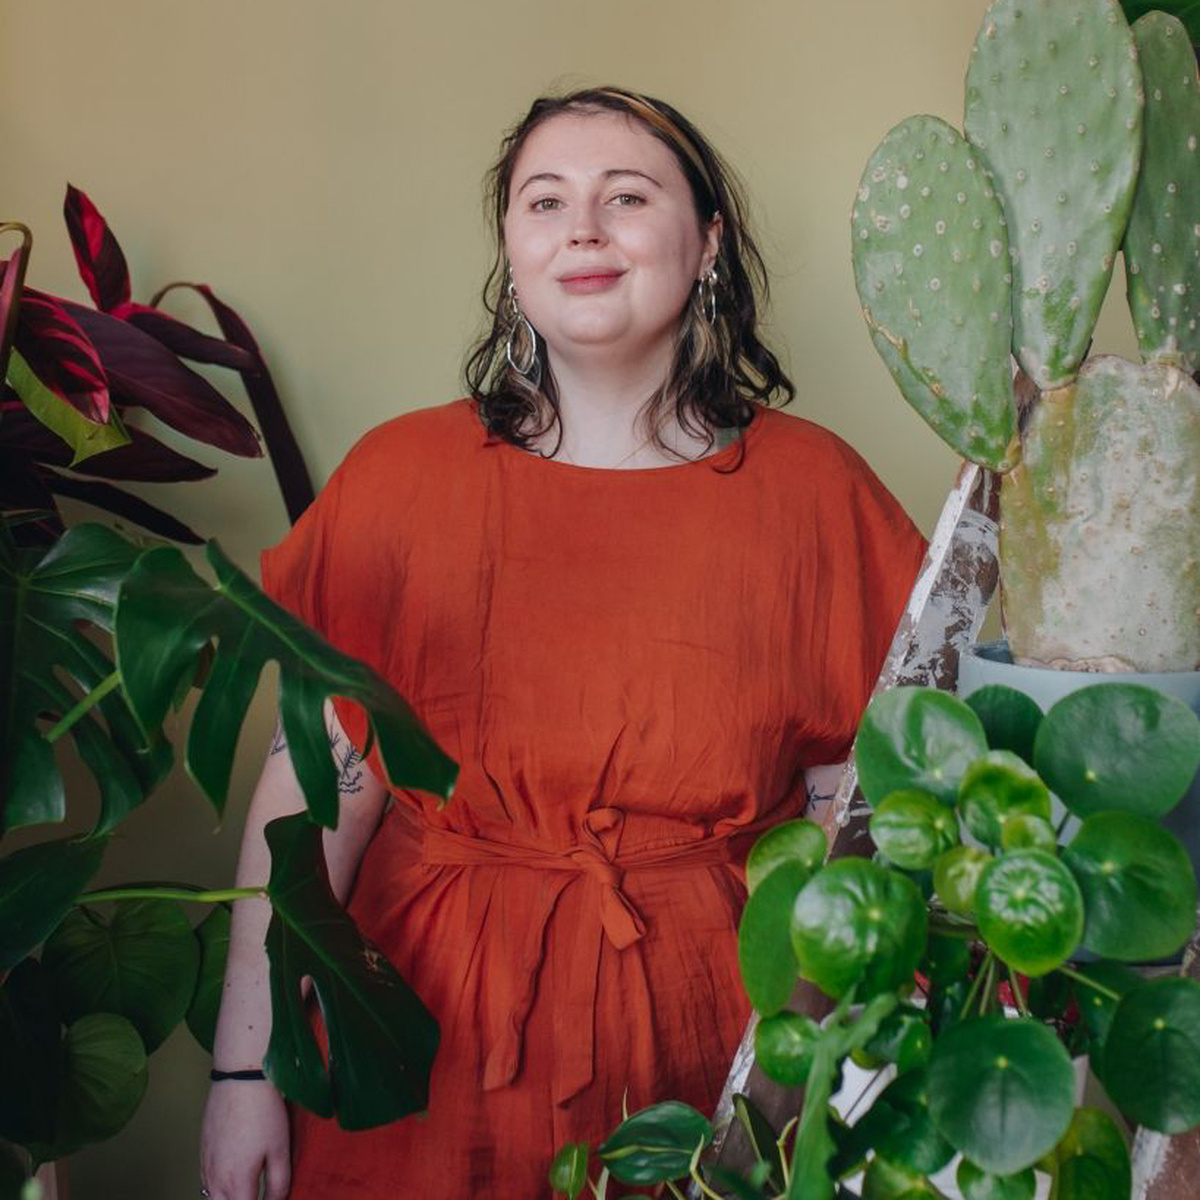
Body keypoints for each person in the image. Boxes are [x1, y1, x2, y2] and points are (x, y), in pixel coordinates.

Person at [199, 86, 926, 1200]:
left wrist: (809, 1069)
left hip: (714, 1044)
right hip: (418, 1049)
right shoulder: (399, 480)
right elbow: (315, 791)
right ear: (513, 248)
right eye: (546, 201)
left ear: (708, 243)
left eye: (625, 196)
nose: (582, 228)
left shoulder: (817, 491)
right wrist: (244, 1069)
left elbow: (856, 816)